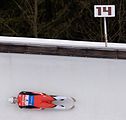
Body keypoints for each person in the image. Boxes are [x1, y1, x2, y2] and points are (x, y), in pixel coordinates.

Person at [8, 91, 75, 110]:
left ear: (14, 97)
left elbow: (31, 93)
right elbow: (30, 107)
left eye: (14, 99)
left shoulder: (21, 93)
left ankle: (67, 98)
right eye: (14, 101)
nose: (15, 100)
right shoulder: (20, 106)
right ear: (14, 103)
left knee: (51, 98)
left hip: (38, 97)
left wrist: (39, 93)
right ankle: (64, 107)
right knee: (51, 106)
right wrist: (38, 108)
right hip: (38, 104)